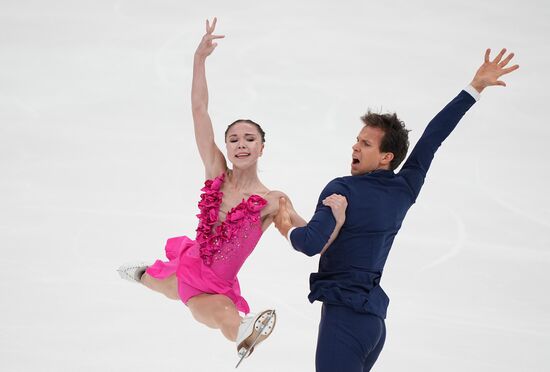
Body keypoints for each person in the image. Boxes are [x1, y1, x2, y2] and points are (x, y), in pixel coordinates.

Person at [274, 48, 519, 371]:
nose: (355, 146)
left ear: (387, 156)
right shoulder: (404, 189)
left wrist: (283, 224)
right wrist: (473, 88)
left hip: (343, 323)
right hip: (373, 325)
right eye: (357, 140)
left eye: (366, 144)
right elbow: (432, 138)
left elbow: (309, 243)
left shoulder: (341, 190)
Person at [116, 18, 344, 362]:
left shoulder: (272, 201)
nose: (241, 145)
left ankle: (244, 332)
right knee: (153, 280)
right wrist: (199, 60)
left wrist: (337, 220)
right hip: (186, 270)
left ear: (261, 148)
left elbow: (312, 240)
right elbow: (199, 111)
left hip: (213, 289)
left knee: (225, 314)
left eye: (249, 139)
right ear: (225, 145)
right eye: (233, 139)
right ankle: (140, 273)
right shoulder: (215, 173)